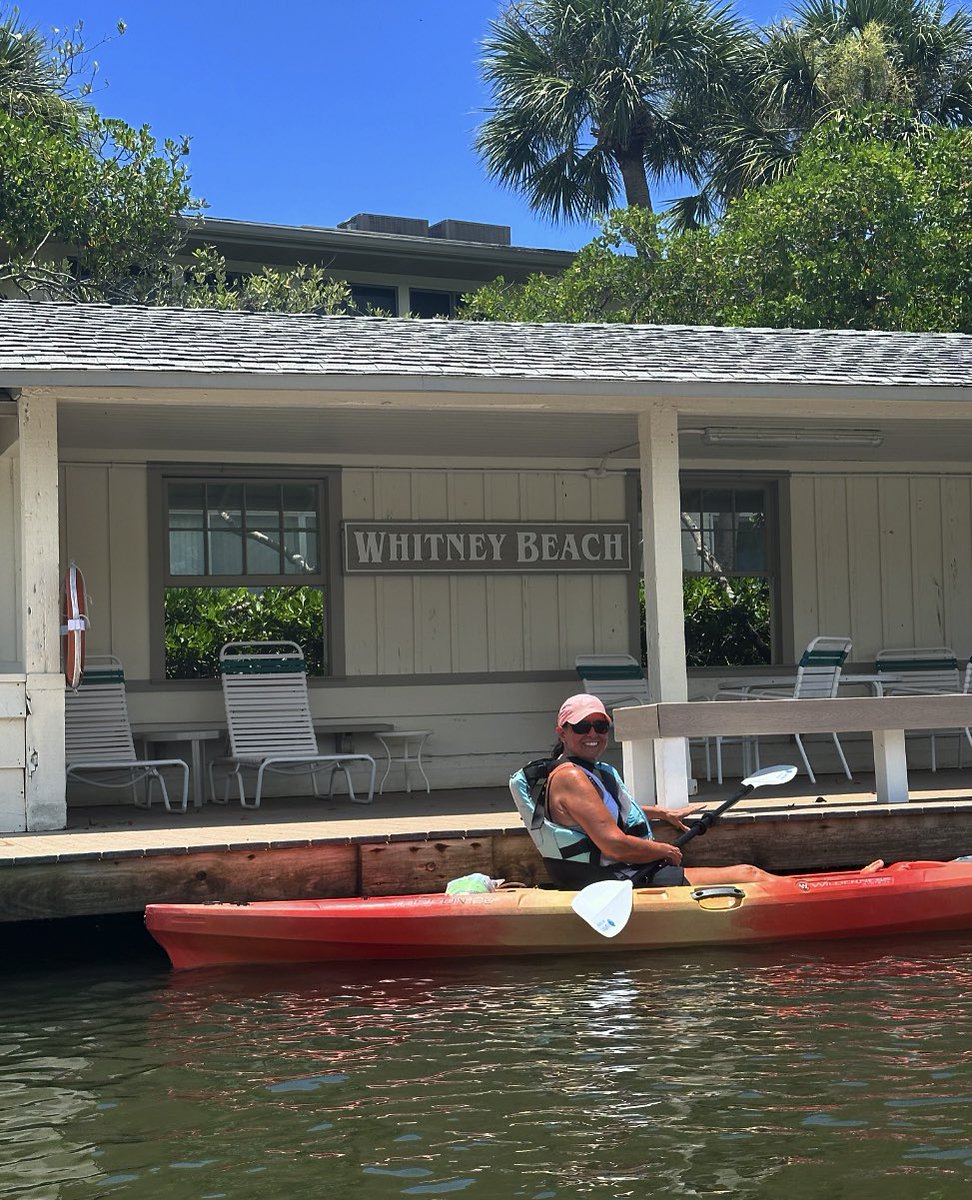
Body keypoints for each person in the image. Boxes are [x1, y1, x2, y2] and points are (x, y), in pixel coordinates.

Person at [512, 693, 768, 890]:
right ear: (563, 732)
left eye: (600, 726)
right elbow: (613, 845)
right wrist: (664, 851)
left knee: (748, 873)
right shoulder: (571, 777)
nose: (593, 733)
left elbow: (597, 812)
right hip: (610, 879)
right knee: (748, 875)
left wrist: (660, 812)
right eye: (581, 726)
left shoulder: (583, 770)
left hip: (616, 872)